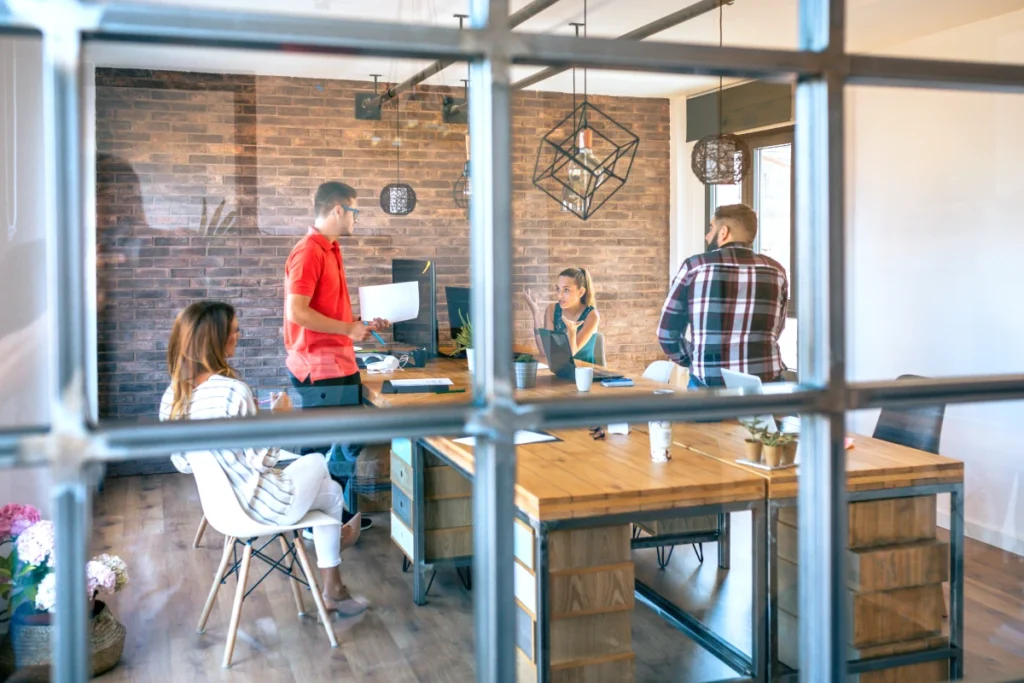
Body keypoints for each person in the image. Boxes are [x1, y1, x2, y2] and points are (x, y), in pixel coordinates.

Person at [160, 301, 368, 617]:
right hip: (264, 505)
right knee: (319, 466)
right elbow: (265, 460)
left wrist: (228, 453)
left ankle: (335, 577)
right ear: (212, 340)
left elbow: (183, 463)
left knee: (329, 491)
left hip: (221, 508)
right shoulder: (233, 391)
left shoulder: (172, 397)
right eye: (233, 331)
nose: (238, 336)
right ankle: (334, 574)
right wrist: (278, 419)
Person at [284, 181, 387, 532]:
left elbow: (324, 309)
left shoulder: (331, 248)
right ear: (338, 210)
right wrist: (346, 331)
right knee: (315, 451)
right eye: (355, 211)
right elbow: (297, 312)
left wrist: (358, 323)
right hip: (320, 369)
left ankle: (329, 513)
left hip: (339, 363)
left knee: (348, 440)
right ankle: (307, 521)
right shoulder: (309, 251)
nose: (357, 218)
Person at [657, 203, 789, 388]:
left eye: (711, 228)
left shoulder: (695, 267)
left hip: (709, 384)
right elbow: (776, 330)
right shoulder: (777, 271)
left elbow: (666, 334)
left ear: (724, 232)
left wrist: (697, 358)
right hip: (767, 383)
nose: (707, 235)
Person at [524, 267, 601, 364]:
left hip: (583, 373)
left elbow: (569, 356)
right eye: (558, 289)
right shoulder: (552, 310)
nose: (559, 295)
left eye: (566, 290)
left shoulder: (592, 315)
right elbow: (545, 352)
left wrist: (572, 332)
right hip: (560, 370)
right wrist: (535, 313)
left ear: (581, 292)